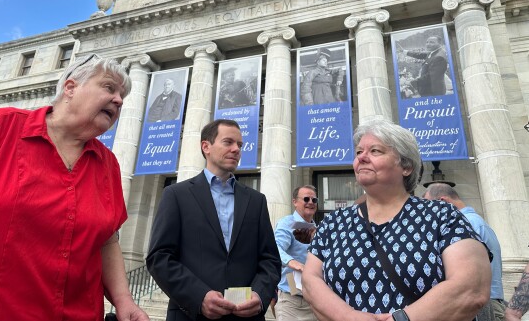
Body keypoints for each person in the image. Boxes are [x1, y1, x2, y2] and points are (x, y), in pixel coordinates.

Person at [0, 54, 149, 321]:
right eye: (109, 87)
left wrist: (123, 300)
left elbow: (107, 240)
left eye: (122, 95)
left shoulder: (109, 164)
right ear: (70, 88)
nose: (119, 100)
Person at [302, 119, 491, 321]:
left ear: (406, 166)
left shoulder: (442, 215)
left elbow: (472, 287)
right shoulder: (334, 223)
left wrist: (402, 319)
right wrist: (350, 317)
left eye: (375, 151)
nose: (362, 158)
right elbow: (310, 279)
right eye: (358, 152)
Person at [146, 119, 281, 320]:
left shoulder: (256, 201)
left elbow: (270, 259)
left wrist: (260, 295)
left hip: (246, 316)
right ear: (206, 146)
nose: (237, 149)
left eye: (240, 145)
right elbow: (160, 257)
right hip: (191, 315)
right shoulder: (176, 195)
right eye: (228, 142)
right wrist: (199, 296)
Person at [424, 183, 505, 321]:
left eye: (430, 206)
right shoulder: (475, 222)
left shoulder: (465, 224)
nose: (428, 213)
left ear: (442, 202)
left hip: (481, 307)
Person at [274, 185, 319, 321]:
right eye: (306, 199)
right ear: (295, 202)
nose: (310, 202)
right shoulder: (286, 223)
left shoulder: (318, 229)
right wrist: (293, 263)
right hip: (291, 300)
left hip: (315, 301)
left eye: (314, 200)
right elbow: (275, 248)